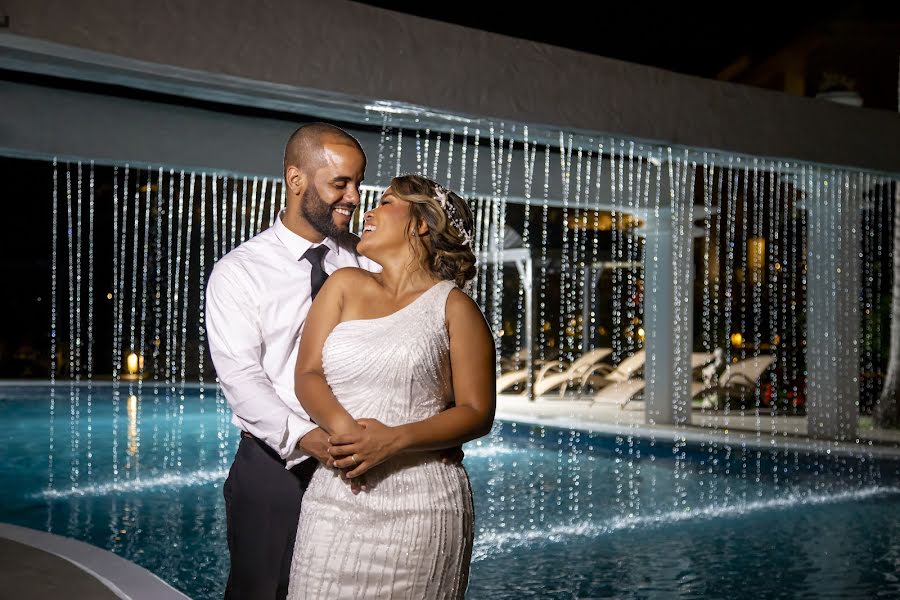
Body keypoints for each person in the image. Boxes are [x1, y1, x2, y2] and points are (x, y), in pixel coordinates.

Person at [287, 175, 496, 599]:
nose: (368, 211)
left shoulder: (456, 308)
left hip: (424, 508)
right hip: (338, 493)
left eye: (384, 203)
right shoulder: (343, 285)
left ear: (420, 222)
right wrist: (349, 436)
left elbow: (477, 412)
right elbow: (307, 374)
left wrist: (394, 440)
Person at [206, 122, 376, 599]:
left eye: (359, 184)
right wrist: (311, 440)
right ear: (296, 179)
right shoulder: (239, 272)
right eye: (339, 183)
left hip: (357, 461)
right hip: (275, 466)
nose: (353, 197)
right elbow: (241, 379)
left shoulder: (367, 262)